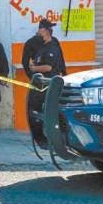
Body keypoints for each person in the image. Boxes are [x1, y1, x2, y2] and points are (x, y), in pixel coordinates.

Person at [27, 19, 66, 148]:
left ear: (46, 31)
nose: (38, 31)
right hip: (40, 86)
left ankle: (52, 140)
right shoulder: (42, 47)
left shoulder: (52, 47)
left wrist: (34, 68)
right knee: (35, 112)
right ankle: (41, 139)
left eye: (40, 29)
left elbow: (49, 67)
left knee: (49, 113)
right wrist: (33, 65)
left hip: (48, 86)